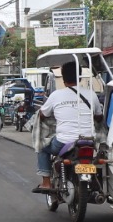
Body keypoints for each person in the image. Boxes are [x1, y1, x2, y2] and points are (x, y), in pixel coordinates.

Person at [33, 60, 98, 193]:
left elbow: (43, 114)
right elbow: (99, 116)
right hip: (90, 140)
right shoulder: (92, 94)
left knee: (42, 147)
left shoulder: (56, 95)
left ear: (63, 77)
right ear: (79, 76)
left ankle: (46, 182)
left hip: (63, 142)